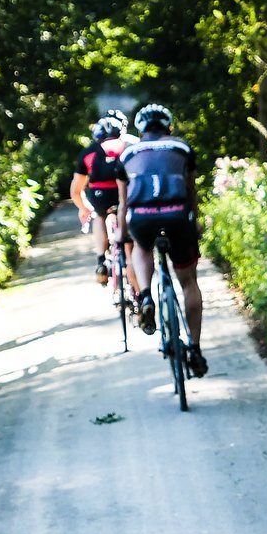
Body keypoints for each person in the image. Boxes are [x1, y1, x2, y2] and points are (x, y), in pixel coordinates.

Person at [113, 103, 208, 377]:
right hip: (178, 214)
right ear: (169, 126)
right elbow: (191, 192)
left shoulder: (128, 153)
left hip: (142, 218)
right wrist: (195, 222)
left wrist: (121, 233)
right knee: (189, 282)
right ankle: (196, 348)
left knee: (141, 247)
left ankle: (145, 296)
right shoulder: (182, 148)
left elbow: (123, 203)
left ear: (140, 130)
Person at [71, 116, 131, 284]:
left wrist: (84, 209)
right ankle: (131, 257)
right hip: (125, 192)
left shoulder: (88, 152)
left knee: (99, 216)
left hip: (100, 195)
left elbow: (75, 191)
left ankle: (101, 261)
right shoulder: (127, 147)